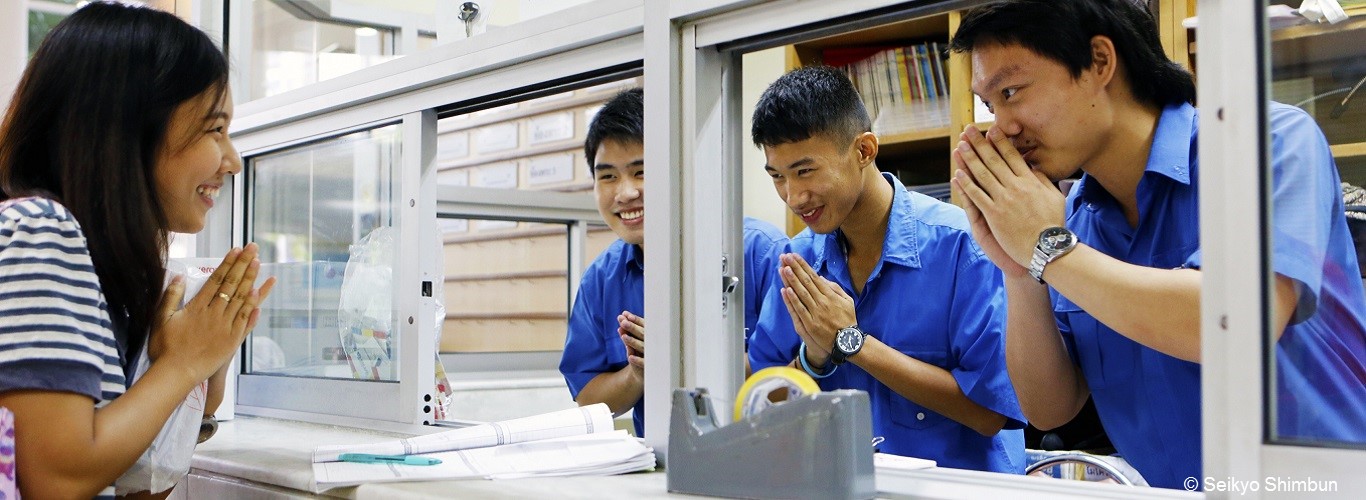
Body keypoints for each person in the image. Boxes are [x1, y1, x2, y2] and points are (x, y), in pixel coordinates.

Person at [948, 0, 1366, 489]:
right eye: (990, 105)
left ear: (1099, 62)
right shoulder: (1071, 219)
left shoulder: (1264, 142)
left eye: (1011, 92)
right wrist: (1020, 269)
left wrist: (1048, 249)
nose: (1002, 126)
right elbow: (1050, 407)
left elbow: (1237, 326)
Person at [0, 3, 275, 498]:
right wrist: (181, 364)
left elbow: (127, 488)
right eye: (215, 129)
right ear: (130, 128)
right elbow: (56, 481)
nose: (232, 160)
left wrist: (202, 381)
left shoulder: (94, 266)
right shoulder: (41, 229)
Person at [746, 66, 1026, 473]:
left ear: (864, 150)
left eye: (805, 171)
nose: (793, 196)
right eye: (777, 177)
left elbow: (990, 413)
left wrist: (853, 343)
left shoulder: (963, 247)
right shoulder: (798, 259)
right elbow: (763, 406)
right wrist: (813, 359)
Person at [558, 88, 787, 437]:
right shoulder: (601, 278)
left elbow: (794, 375)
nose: (625, 193)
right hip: (663, 460)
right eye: (608, 176)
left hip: (766, 456)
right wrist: (639, 373)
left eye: (641, 171)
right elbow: (589, 400)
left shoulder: (763, 252)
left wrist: (683, 358)